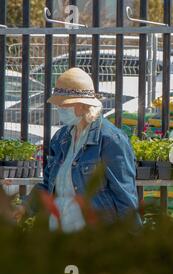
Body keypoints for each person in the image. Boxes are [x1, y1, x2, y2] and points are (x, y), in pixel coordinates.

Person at [19, 67, 141, 232]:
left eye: (65, 104)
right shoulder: (61, 138)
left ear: (84, 105)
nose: (60, 108)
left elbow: (125, 197)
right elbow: (48, 185)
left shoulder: (111, 140)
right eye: (59, 104)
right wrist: (24, 208)